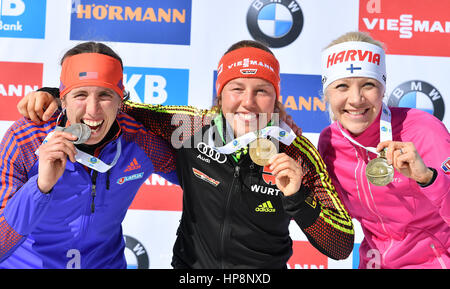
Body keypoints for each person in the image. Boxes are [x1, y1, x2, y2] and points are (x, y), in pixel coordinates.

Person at [18, 40, 355, 269]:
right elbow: (116, 106)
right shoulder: (191, 128)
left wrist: (298, 198)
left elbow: (340, 247)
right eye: (236, 89)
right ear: (220, 96)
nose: (248, 103)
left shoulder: (296, 152)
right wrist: (52, 94)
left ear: (276, 97)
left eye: (262, 91)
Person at [0, 42, 177, 269]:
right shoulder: (26, 138)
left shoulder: (140, 141)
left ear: (120, 100)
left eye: (105, 95)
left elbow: (201, 182)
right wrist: (40, 187)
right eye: (80, 95)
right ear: (62, 99)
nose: (93, 110)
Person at [318, 31, 450, 269]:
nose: (356, 99)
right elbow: (333, 223)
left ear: (383, 89)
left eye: (368, 84)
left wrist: (428, 179)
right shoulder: (330, 141)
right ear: (327, 94)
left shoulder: (423, 130)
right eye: (342, 86)